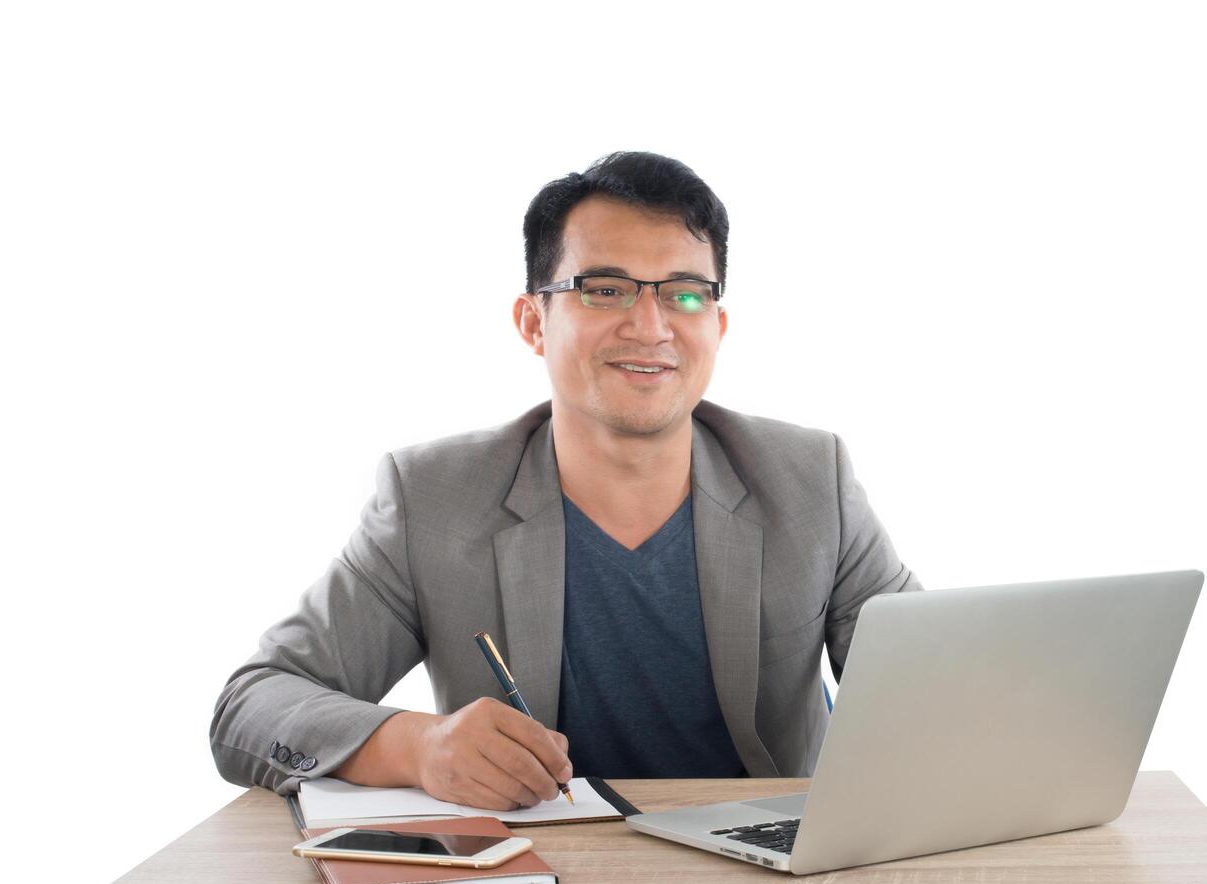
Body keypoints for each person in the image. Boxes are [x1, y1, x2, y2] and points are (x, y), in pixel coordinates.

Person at [209, 151, 920, 811]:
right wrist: (418, 747)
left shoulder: (809, 483)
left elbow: (940, 692)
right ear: (531, 320)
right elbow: (252, 704)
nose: (650, 326)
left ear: (720, 324)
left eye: (685, 295)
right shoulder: (432, 501)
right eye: (604, 289)